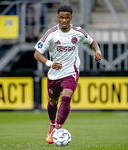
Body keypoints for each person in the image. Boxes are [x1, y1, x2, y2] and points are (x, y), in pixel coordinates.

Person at [34, 5, 102, 144]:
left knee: (66, 96)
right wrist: (49, 63)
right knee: (53, 101)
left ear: (71, 18)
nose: (64, 20)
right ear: (57, 18)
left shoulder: (78, 32)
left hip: (71, 71)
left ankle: (56, 130)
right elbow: (37, 53)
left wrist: (98, 51)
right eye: (61, 18)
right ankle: (52, 124)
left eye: (67, 18)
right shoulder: (51, 34)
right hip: (54, 73)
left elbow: (92, 42)